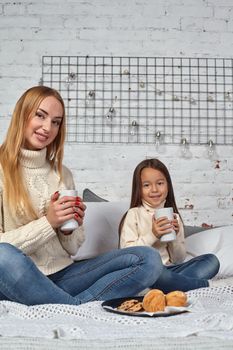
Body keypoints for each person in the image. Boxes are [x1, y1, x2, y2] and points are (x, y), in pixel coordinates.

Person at [0, 86, 164, 306]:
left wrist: (67, 228)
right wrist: (49, 223)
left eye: (56, 122)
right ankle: (76, 307)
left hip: (65, 275)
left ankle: (67, 305)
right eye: (40, 115)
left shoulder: (62, 174)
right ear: (23, 114)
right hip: (19, 279)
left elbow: (72, 248)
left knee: (149, 258)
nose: (47, 127)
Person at [119, 158, 220, 293]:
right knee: (156, 273)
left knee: (211, 261)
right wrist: (153, 235)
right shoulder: (134, 214)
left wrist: (176, 237)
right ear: (139, 188)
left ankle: (165, 286)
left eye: (160, 183)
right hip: (146, 270)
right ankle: (202, 285)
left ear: (168, 186)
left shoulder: (174, 217)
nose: (154, 189)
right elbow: (127, 255)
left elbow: (178, 259)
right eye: (146, 185)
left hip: (169, 270)